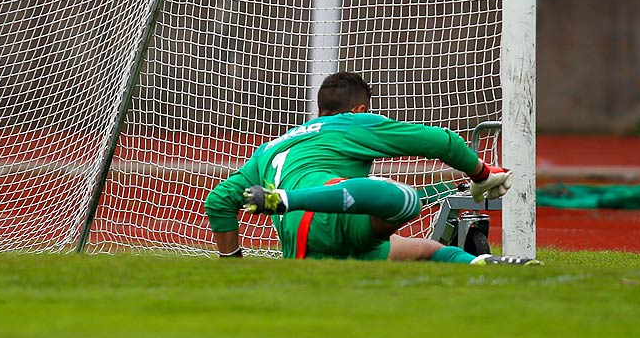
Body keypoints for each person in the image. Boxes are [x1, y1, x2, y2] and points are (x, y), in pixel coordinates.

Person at [203, 70, 535, 265]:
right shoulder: (353, 123)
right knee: (405, 200)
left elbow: (219, 201)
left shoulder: (269, 148)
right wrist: (481, 174)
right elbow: (442, 141)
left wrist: (233, 264)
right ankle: (287, 198)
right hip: (328, 218)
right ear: (360, 108)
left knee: (425, 249)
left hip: (303, 249)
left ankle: (484, 265)